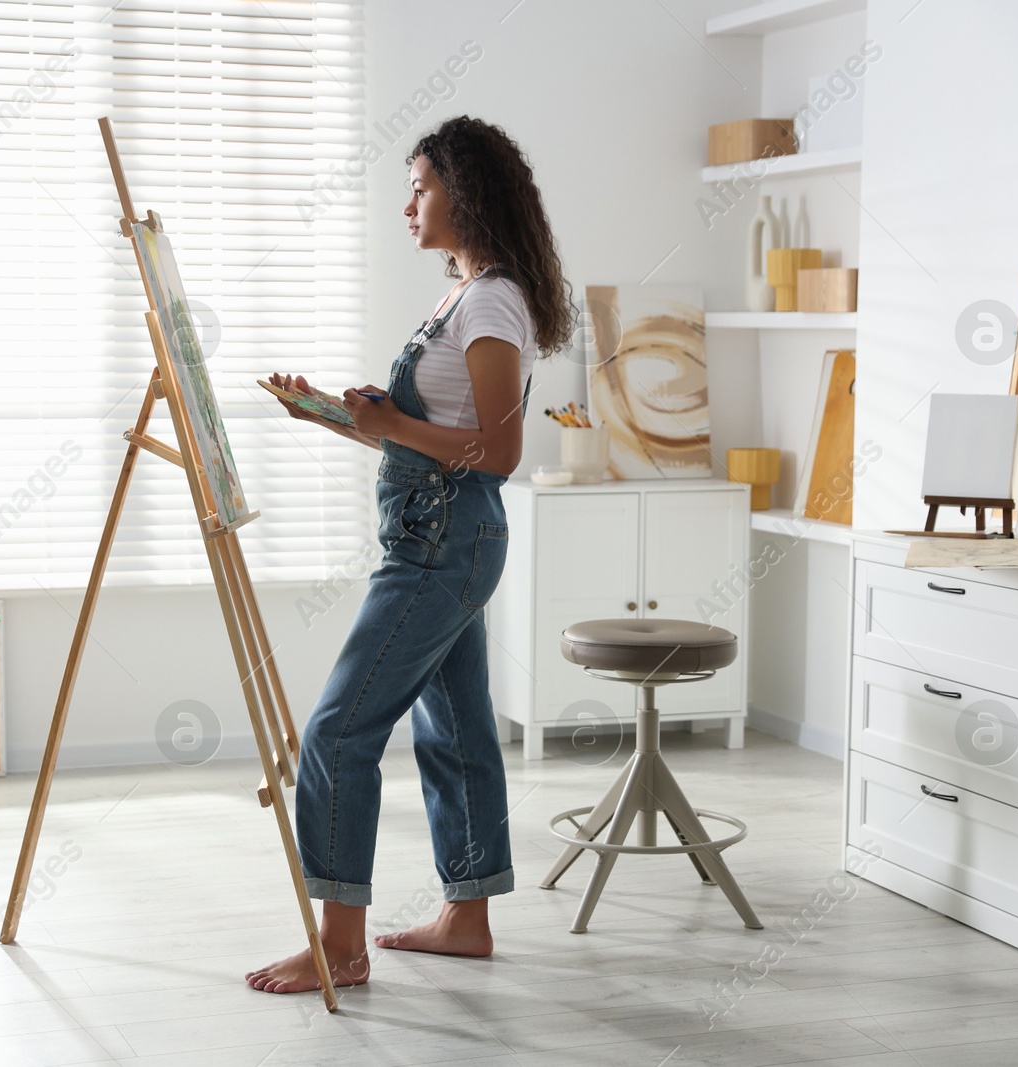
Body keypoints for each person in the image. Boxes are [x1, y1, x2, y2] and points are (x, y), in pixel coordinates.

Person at [246, 115, 574, 994]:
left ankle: (339, 944)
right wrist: (333, 413)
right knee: (458, 730)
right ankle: (466, 919)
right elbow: (426, 441)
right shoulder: (458, 298)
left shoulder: (492, 301)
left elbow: (499, 453)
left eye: (420, 186)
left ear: (462, 192)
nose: (407, 204)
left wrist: (389, 422)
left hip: (444, 544)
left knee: (339, 731)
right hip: (437, 537)